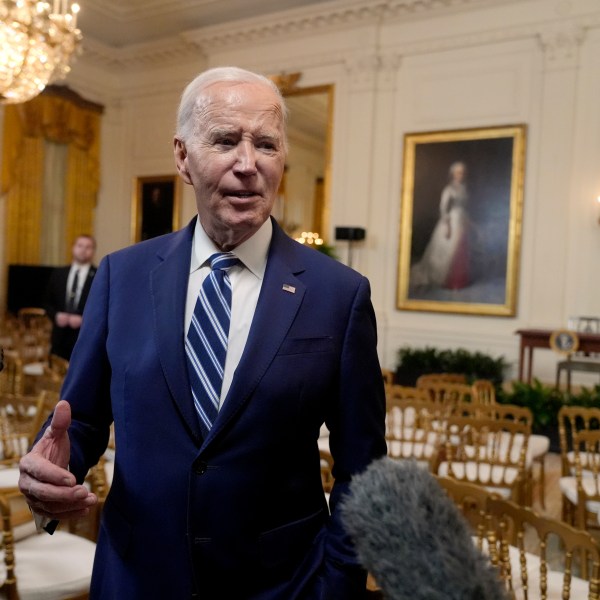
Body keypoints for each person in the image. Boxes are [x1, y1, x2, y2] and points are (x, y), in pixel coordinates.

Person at [19, 67, 387, 599]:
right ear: (182, 157)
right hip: (136, 578)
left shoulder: (339, 294)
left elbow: (365, 472)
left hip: (282, 586)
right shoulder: (122, 277)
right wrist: (52, 469)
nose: (248, 164)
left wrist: (336, 585)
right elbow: (82, 420)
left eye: (266, 144)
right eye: (225, 140)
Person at [410, 161, 472, 290]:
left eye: (462, 173)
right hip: (451, 222)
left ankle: (458, 280)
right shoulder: (449, 189)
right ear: (453, 174)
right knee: (446, 250)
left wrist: (467, 221)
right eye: (458, 173)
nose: (460, 175)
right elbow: (443, 209)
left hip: (461, 221)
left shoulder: (463, 189)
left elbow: (464, 207)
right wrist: (448, 226)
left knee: (460, 250)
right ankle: (442, 278)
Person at [43, 234, 97, 360]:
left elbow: (101, 308)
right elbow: (47, 302)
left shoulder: (99, 275)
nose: (83, 250)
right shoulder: (58, 273)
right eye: (80, 246)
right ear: (73, 248)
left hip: (83, 338)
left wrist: (84, 319)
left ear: (93, 251)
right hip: (59, 338)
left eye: (88, 247)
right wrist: (56, 316)